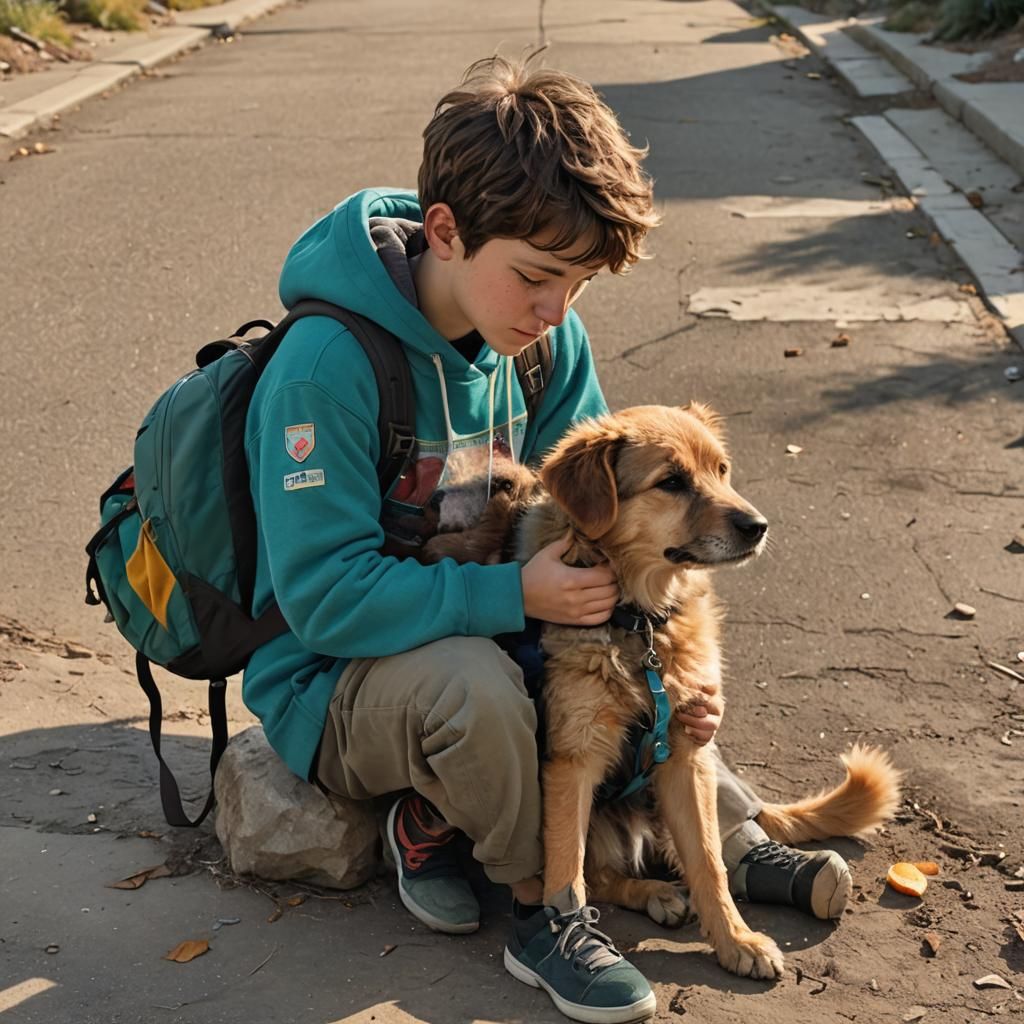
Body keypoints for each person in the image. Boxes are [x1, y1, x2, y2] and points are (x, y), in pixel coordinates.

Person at [242, 54, 851, 1024]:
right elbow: (320, 598)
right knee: (479, 693)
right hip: (339, 679)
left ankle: (723, 840)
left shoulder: (543, 339)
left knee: (638, 675)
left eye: (575, 285)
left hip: (507, 628)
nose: (554, 313)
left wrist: (673, 683)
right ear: (445, 231)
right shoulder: (327, 367)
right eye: (534, 278)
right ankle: (544, 905)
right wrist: (510, 598)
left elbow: (604, 539)